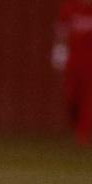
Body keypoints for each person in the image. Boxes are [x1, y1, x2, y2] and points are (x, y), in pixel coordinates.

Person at [53, 0, 92, 145]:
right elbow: (61, 30)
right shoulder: (70, 7)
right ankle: (77, 127)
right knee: (71, 96)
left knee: (89, 99)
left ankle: (83, 135)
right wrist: (59, 51)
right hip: (74, 60)